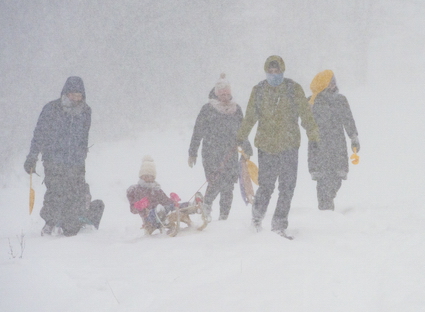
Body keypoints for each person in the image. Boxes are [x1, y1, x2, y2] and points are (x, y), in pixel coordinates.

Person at [236, 55, 319, 238]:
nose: (274, 75)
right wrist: (240, 136)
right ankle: (256, 219)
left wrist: (313, 134)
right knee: (266, 187)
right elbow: (250, 117)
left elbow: (306, 115)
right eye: (270, 72)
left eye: (277, 71)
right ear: (266, 72)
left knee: (287, 187)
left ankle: (279, 225)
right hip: (267, 147)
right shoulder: (258, 91)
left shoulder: (293, 89)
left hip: (289, 146)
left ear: (282, 71)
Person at [24, 76, 103, 236]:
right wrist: (33, 156)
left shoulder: (86, 111)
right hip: (54, 159)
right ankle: (50, 223)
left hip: (76, 162)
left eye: (79, 95)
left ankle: (71, 223)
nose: (76, 97)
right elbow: (39, 134)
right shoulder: (51, 109)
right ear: (65, 93)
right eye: (72, 94)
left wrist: (81, 156)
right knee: (55, 192)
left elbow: (83, 136)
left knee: (75, 194)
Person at [188, 74, 253, 220]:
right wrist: (193, 152)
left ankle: (224, 218)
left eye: (227, 92)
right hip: (211, 152)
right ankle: (207, 208)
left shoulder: (236, 109)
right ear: (216, 93)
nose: (224, 95)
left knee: (229, 185)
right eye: (221, 92)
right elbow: (197, 132)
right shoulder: (207, 109)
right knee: (215, 182)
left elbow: (242, 132)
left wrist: (247, 148)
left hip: (230, 152)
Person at [307, 70, 360, 210]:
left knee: (337, 178)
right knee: (322, 179)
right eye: (330, 82)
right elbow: (304, 123)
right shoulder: (311, 101)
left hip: (337, 145)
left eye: (334, 81)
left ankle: (327, 202)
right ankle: (325, 209)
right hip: (318, 146)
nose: (333, 84)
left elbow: (348, 119)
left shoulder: (340, 100)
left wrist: (354, 138)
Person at [126, 155, 177, 231]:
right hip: (149, 218)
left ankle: (190, 206)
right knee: (156, 211)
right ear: (141, 177)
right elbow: (133, 209)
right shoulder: (137, 190)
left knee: (173, 206)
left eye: (150, 176)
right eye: (145, 176)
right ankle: (164, 218)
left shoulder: (156, 189)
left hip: (162, 211)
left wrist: (173, 201)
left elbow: (165, 201)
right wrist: (139, 206)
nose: (147, 178)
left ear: (154, 177)